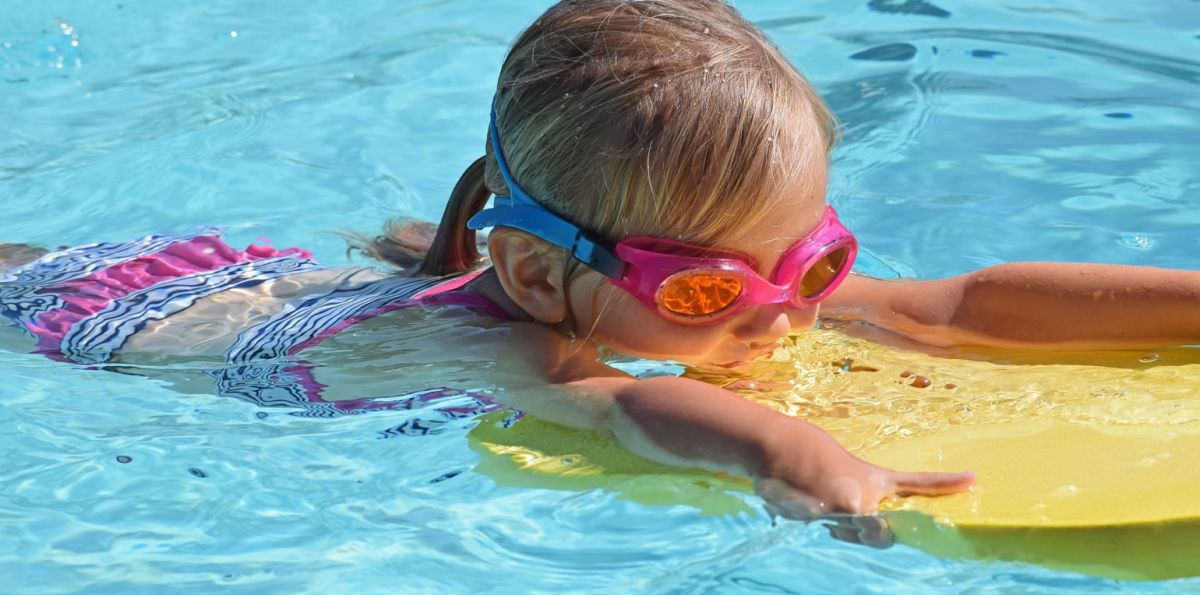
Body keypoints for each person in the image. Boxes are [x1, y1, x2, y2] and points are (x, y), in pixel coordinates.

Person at [2, 0, 1198, 530]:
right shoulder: (514, 343)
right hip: (114, 324)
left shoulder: (746, 291)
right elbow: (624, 404)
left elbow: (957, 305)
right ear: (536, 275)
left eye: (815, 264)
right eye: (709, 293)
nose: (781, 317)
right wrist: (807, 458)